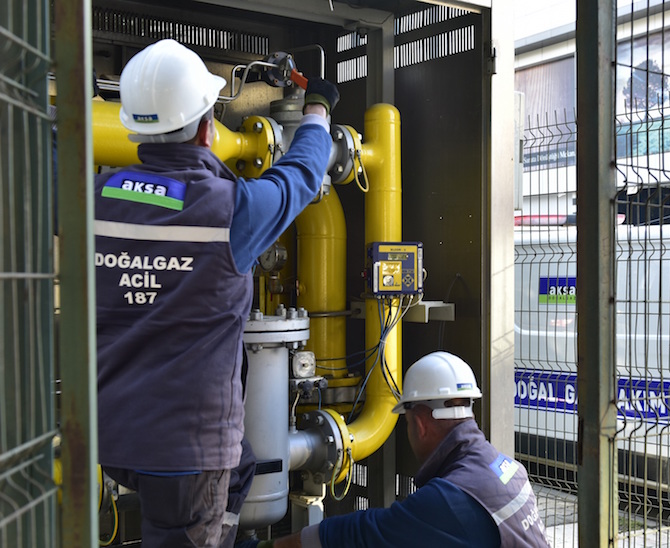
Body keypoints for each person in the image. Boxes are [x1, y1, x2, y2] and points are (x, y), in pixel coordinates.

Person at [94, 38, 339, 547]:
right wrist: (316, 110)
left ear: (134, 129)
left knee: (240, 463)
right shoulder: (232, 212)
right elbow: (300, 175)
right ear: (208, 128)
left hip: (115, 433)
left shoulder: (95, 200)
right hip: (186, 451)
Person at [247, 351, 551, 548]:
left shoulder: (450, 499)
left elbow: (361, 532)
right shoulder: (508, 469)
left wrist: (269, 546)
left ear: (419, 424)